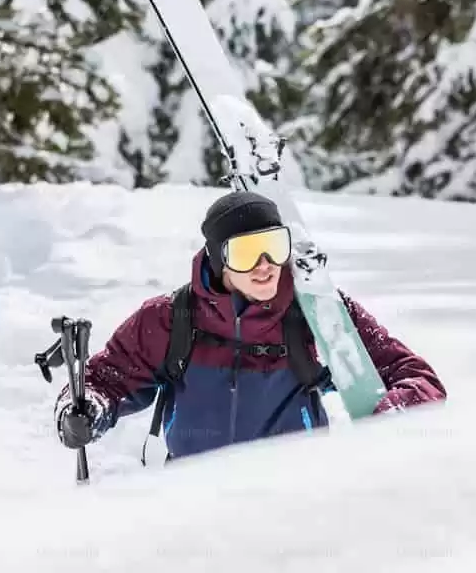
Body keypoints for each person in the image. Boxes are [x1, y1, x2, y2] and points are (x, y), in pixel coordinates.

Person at [53, 190, 446, 461]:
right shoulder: (171, 318)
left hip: (293, 500)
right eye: (245, 252)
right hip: (188, 499)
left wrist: (395, 411)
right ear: (218, 260)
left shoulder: (317, 313)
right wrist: (85, 411)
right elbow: (103, 379)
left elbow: (415, 376)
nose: (264, 264)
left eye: (274, 246)